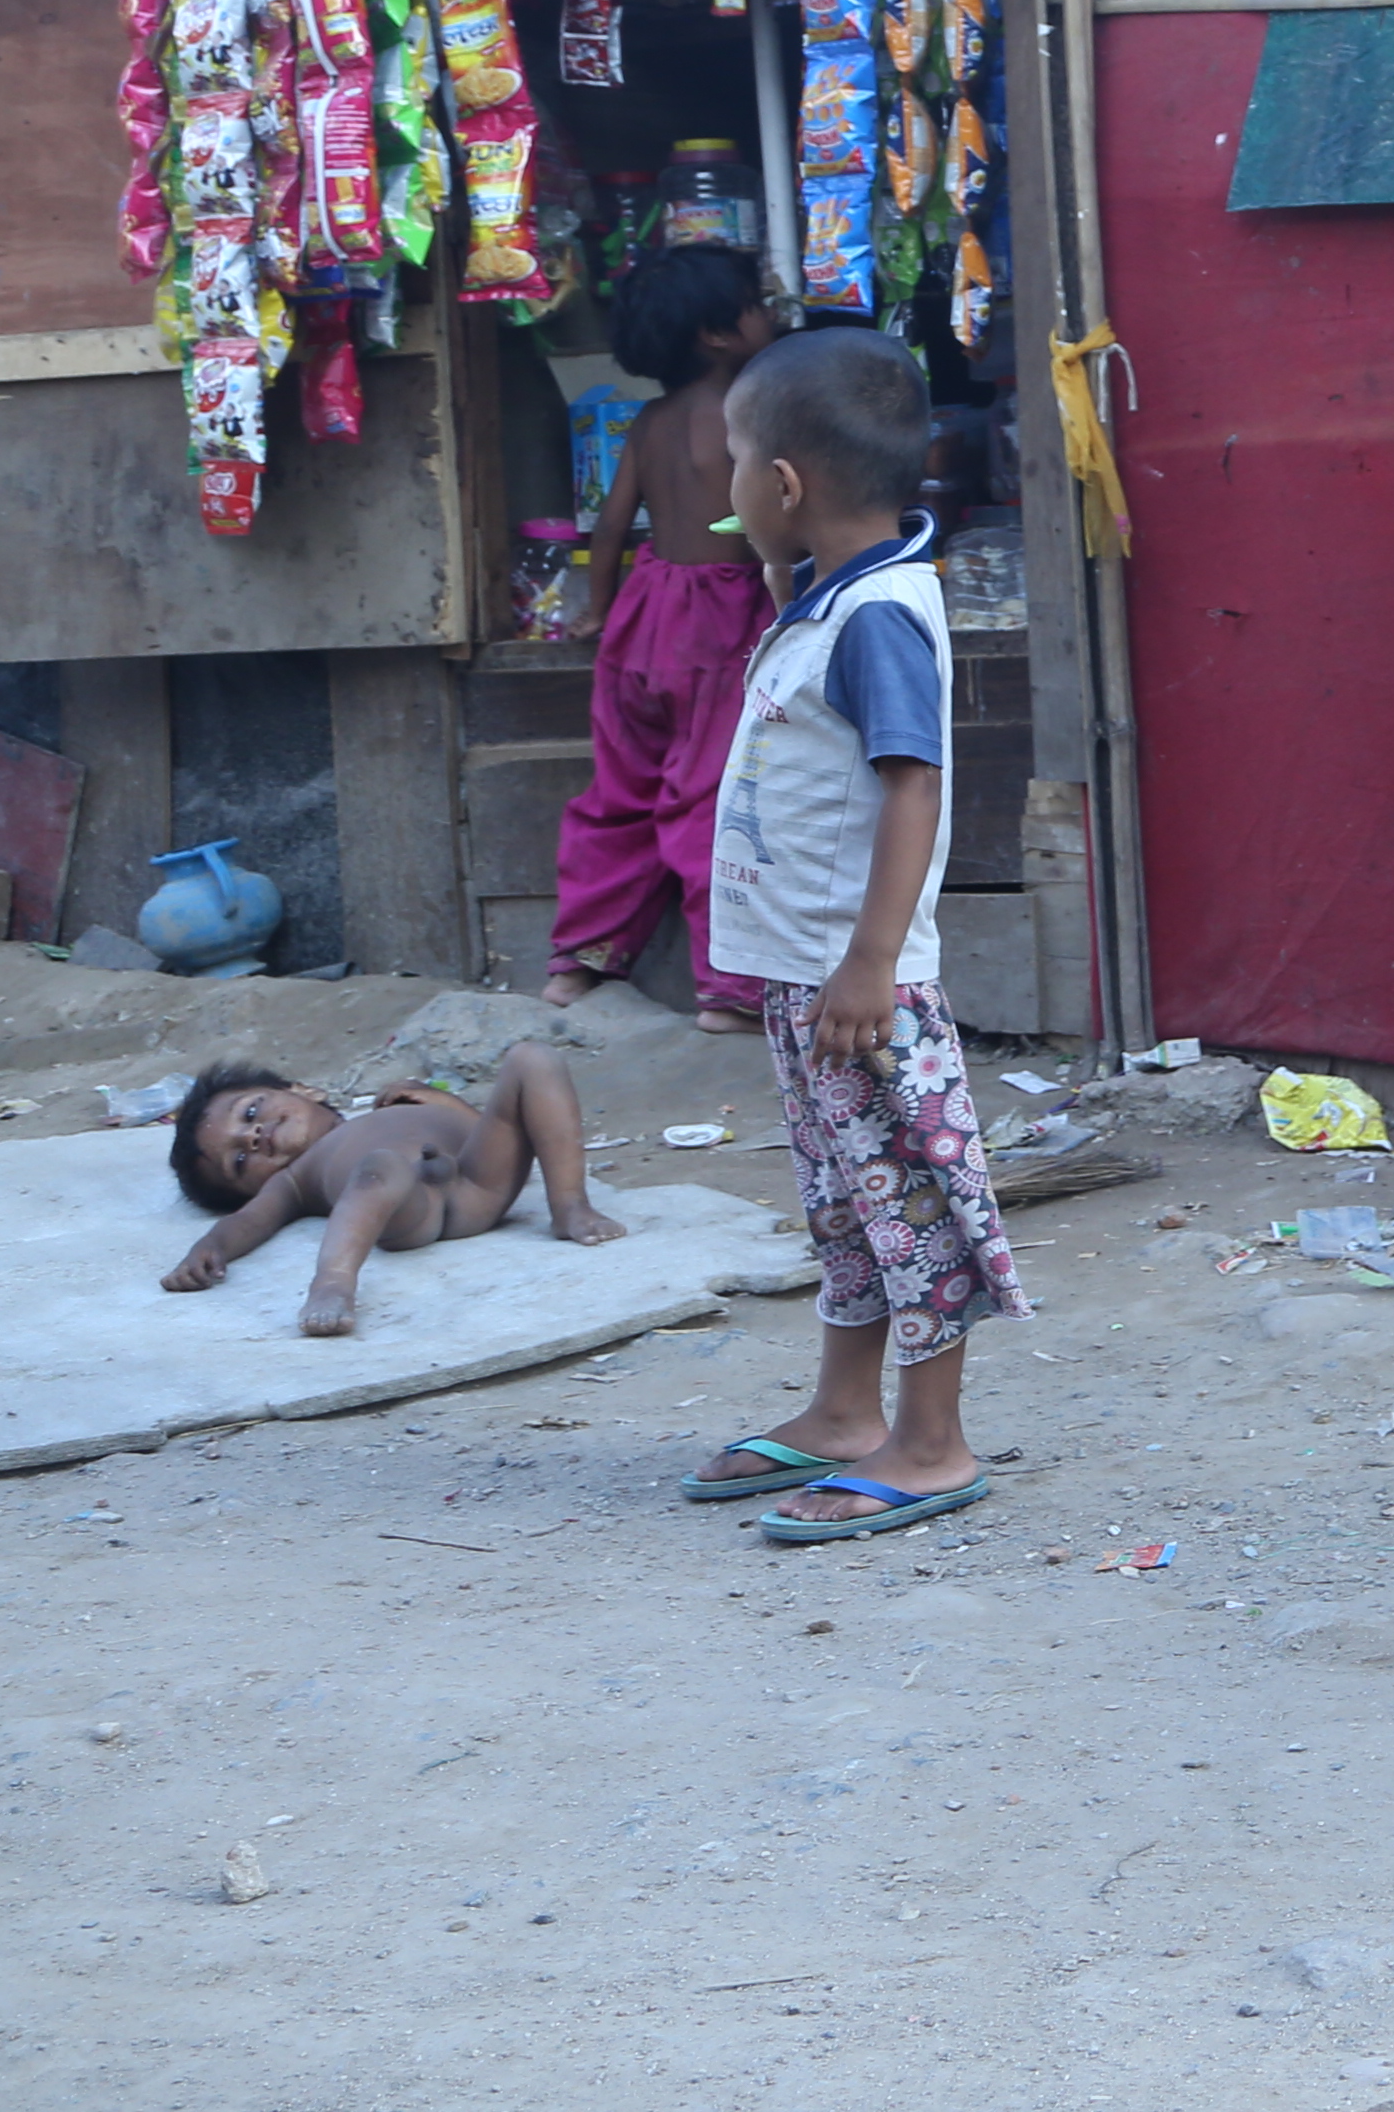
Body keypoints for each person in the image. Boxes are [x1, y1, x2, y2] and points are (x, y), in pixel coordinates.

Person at [679, 325, 1023, 1544]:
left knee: (914, 1204)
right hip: (809, 981)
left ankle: (931, 1443)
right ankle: (840, 1411)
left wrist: (874, 959)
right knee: (843, 1201)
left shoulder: (879, 614)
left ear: (782, 486)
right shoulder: (831, 602)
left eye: (731, 460)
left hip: (867, 989)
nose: (722, 483)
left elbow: (912, 785)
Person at [544, 242, 781, 1028]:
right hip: (722, 622)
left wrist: (602, 612)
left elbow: (609, 528)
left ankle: (578, 961)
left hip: (645, 619)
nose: (770, 312)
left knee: (619, 795)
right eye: (756, 301)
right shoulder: (755, 415)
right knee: (710, 801)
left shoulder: (648, 421)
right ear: (717, 333)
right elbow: (765, 528)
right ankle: (728, 990)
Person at [162, 1045, 623, 1336]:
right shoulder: (295, 1179)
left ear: (307, 1090)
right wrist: (209, 1247)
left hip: (479, 1180)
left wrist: (441, 1101)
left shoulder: (390, 1108)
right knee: (380, 1165)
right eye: (240, 1160)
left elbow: (481, 1128)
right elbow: (249, 1221)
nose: (255, 1136)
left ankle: (569, 1205)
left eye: (250, 1113)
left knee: (533, 1058)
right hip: (414, 1209)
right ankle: (333, 1283)